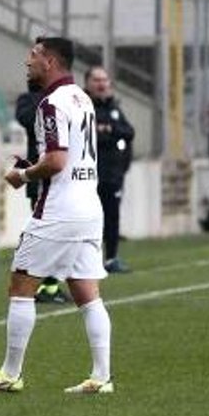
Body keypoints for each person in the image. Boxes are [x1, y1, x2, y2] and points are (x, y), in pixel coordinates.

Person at [0, 36, 113, 395]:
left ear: (50, 61)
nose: (27, 62)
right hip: (89, 208)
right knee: (85, 291)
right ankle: (101, 377)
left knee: (21, 283)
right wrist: (36, 165)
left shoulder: (50, 104)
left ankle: (10, 373)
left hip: (59, 210)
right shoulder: (83, 99)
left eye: (33, 56)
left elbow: (56, 161)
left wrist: (22, 175)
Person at [16, 87, 69, 304]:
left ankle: (51, 285)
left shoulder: (65, 98)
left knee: (60, 234)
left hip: (63, 177)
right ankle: (44, 285)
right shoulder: (28, 100)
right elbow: (27, 119)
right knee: (43, 233)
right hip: (38, 174)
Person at [86, 66, 134, 274]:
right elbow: (92, 136)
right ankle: (88, 261)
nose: (102, 84)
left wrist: (109, 129)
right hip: (89, 175)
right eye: (97, 80)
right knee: (89, 219)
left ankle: (111, 258)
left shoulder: (114, 107)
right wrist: (108, 133)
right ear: (87, 82)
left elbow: (129, 132)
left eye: (105, 80)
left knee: (112, 217)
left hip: (113, 174)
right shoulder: (83, 105)